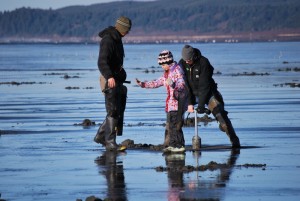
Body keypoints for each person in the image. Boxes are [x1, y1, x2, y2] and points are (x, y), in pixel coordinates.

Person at [179, 45, 240, 148]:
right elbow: (185, 86)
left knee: (221, 116)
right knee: (176, 115)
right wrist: (189, 103)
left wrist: (201, 106)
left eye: (189, 60)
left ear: (193, 56)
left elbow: (204, 86)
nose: (187, 62)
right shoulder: (182, 63)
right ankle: (176, 143)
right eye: (186, 60)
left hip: (208, 93)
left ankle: (235, 142)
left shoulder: (203, 62)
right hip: (190, 94)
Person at [136, 50, 187, 153]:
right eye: (161, 65)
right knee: (171, 125)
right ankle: (172, 144)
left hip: (177, 104)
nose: (162, 67)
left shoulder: (177, 70)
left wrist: (173, 84)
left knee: (175, 125)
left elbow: (182, 84)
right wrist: (144, 84)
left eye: (163, 64)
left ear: (168, 62)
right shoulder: (166, 73)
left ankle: (178, 145)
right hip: (170, 104)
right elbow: (157, 82)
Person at [94, 16, 132, 151]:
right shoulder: (108, 40)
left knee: (117, 110)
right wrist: (109, 76)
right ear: (122, 28)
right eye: (127, 30)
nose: (128, 33)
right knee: (113, 111)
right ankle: (110, 142)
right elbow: (102, 62)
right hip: (109, 79)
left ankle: (100, 136)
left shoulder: (117, 39)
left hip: (117, 79)